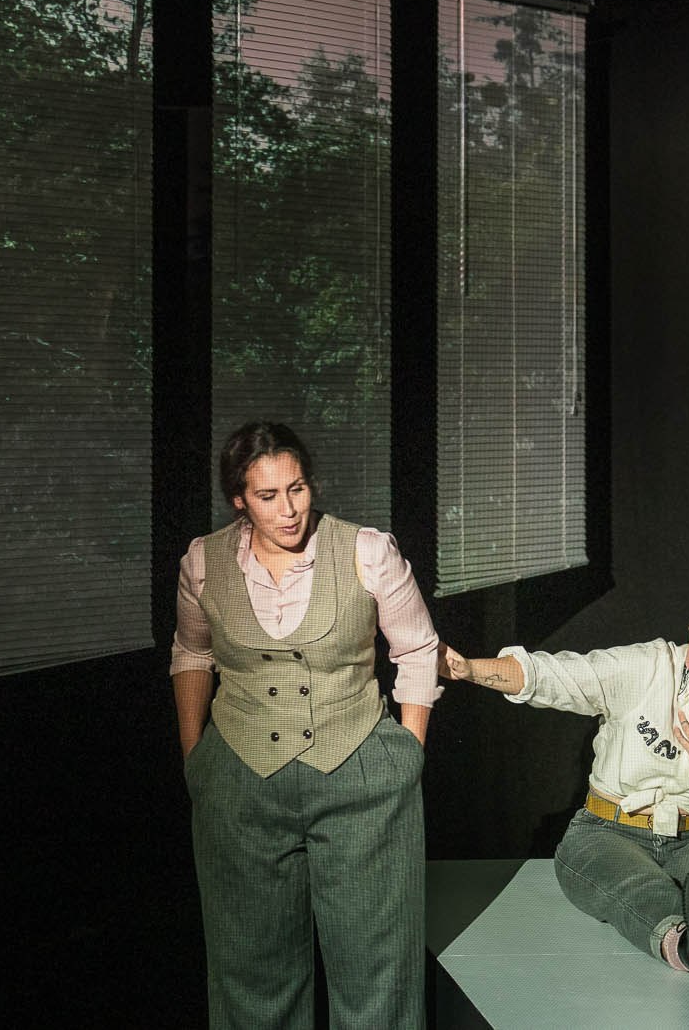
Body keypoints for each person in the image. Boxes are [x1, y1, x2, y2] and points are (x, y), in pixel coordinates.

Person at [171, 422, 440, 1029]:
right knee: (250, 974)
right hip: (241, 783)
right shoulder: (203, 562)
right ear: (239, 499)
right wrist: (197, 760)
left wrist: (406, 756)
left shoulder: (367, 551)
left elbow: (419, 649)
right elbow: (191, 653)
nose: (289, 510)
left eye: (297, 489)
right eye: (268, 496)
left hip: (361, 778)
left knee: (378, 973)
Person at [439, 581, 689, 995]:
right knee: (639, 888)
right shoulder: (650, 667)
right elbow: (557, 675)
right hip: (605, 831)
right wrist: (470, 669)